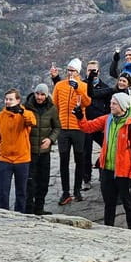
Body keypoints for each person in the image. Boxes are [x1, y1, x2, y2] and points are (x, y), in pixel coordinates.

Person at [75, 93, 131, 231]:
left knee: (128, 204)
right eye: (111, 103)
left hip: (124, 173)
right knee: (109, 204)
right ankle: (108, 231)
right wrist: (80, 116)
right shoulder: (108, 119)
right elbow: (87, 127)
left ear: (123, 106)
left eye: (114, 103)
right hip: (107, 170)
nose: (110, 106)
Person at [53, 58, 92, 205]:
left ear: (78, 72)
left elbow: (87, 102)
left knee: (79, 159)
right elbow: (55, 105)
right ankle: (65, 192)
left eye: (73, 71)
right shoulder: (59, 85)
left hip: (78, 128)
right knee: (64, 160)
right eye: (68, 70)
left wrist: (77, 88)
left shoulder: (83, 85)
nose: (70, 73)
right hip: (63, 128)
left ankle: (77, 190)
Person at [0, 89, 37, 213]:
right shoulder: (0, 116)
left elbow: (32, 122)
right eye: (6, 99)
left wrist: (22, 111)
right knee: (3, 191)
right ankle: (3, 215)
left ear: (18, 100)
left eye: (11, 99)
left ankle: (20, 216)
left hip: (22, 159)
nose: (8, 102)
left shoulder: (26, 114)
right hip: (5, 159)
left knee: (21, 192)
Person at [23, 83, 60, 215]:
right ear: (34, 93)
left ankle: (39, 208)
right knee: (29, 182)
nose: (39, 97)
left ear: (46, 95)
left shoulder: (52, 108)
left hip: (44, 152)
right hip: (29, 152)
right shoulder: (26, 107)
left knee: (43, 181)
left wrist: (50, 139)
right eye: (37, 94)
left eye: (42, 94)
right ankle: (28, 209)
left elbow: (57, 127)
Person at [81, 60, 110, 190]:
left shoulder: (105, 87)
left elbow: (109, 107)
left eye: (94, 70)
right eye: (89, 70)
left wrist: (107, 125)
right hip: (85, 123)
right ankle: (86, 179)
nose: (92, 73)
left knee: (107, 148)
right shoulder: (81, 85)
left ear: (99, 71)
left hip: (100, 124)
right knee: (85, 153)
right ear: (86, 71)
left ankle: (103, 174)